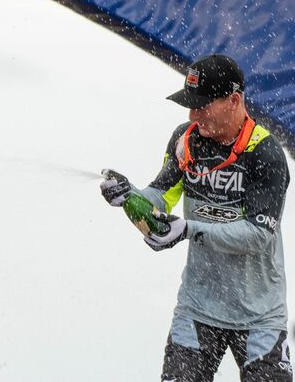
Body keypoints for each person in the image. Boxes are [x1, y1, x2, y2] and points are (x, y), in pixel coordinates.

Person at [100, 54, 291, 382]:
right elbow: (161, 195)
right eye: (190, 105)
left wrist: (189, 229)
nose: (192, 114)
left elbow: (259, 236)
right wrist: (129, 195)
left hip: (259, 317)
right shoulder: (185, 139)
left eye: (202, 105)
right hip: (197, 308)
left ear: (234, 100)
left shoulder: (265, 152)